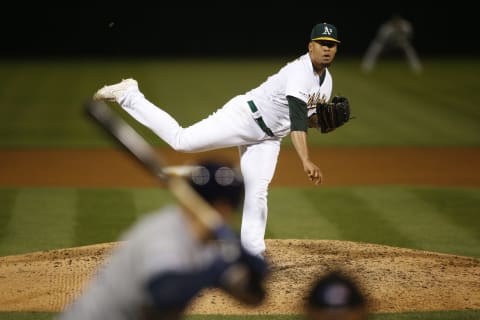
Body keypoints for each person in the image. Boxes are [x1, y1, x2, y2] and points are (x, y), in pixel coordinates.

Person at [93, 22, 342, 258]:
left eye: (332, 44)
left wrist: (324, 123)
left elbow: (308, 118)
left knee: (257, 191)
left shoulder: (326, 81)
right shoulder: (299, 72)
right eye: (322, 43)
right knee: (182, 141)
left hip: (269, 138)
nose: (327, 48)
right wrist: (306, 160)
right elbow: (298, 118)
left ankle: (252, 251)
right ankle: (130, 95)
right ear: (311, 46)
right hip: (245, 117)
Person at [57, 160, 268, 320]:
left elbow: (253, 297)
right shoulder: (165, 233)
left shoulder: (212, 245)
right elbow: (164, 293)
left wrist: (250, 263)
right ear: (224, 207)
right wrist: (216, 270)